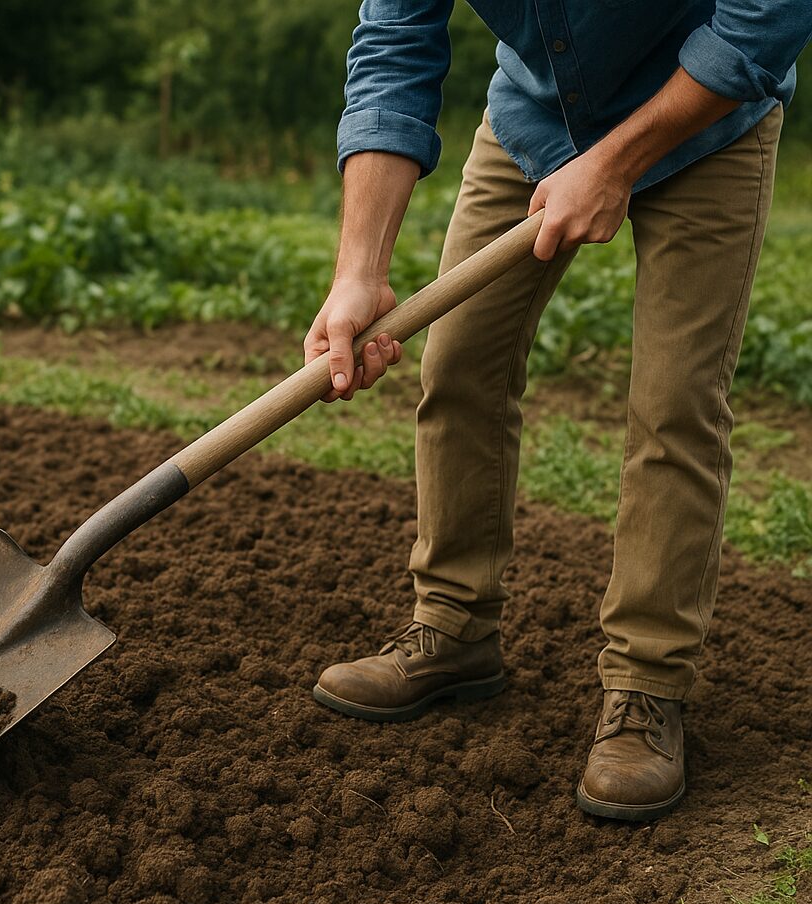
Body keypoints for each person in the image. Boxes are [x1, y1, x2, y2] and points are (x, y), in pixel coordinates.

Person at [305, 1, 810, 821]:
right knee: (461, 361)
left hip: (709, 114)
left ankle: (647, 689)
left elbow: (765, 20)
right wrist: (358, 268)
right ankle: (454, 625)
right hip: (537, 115)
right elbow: (395, 45)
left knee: (674, 403)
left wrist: (614, 163)